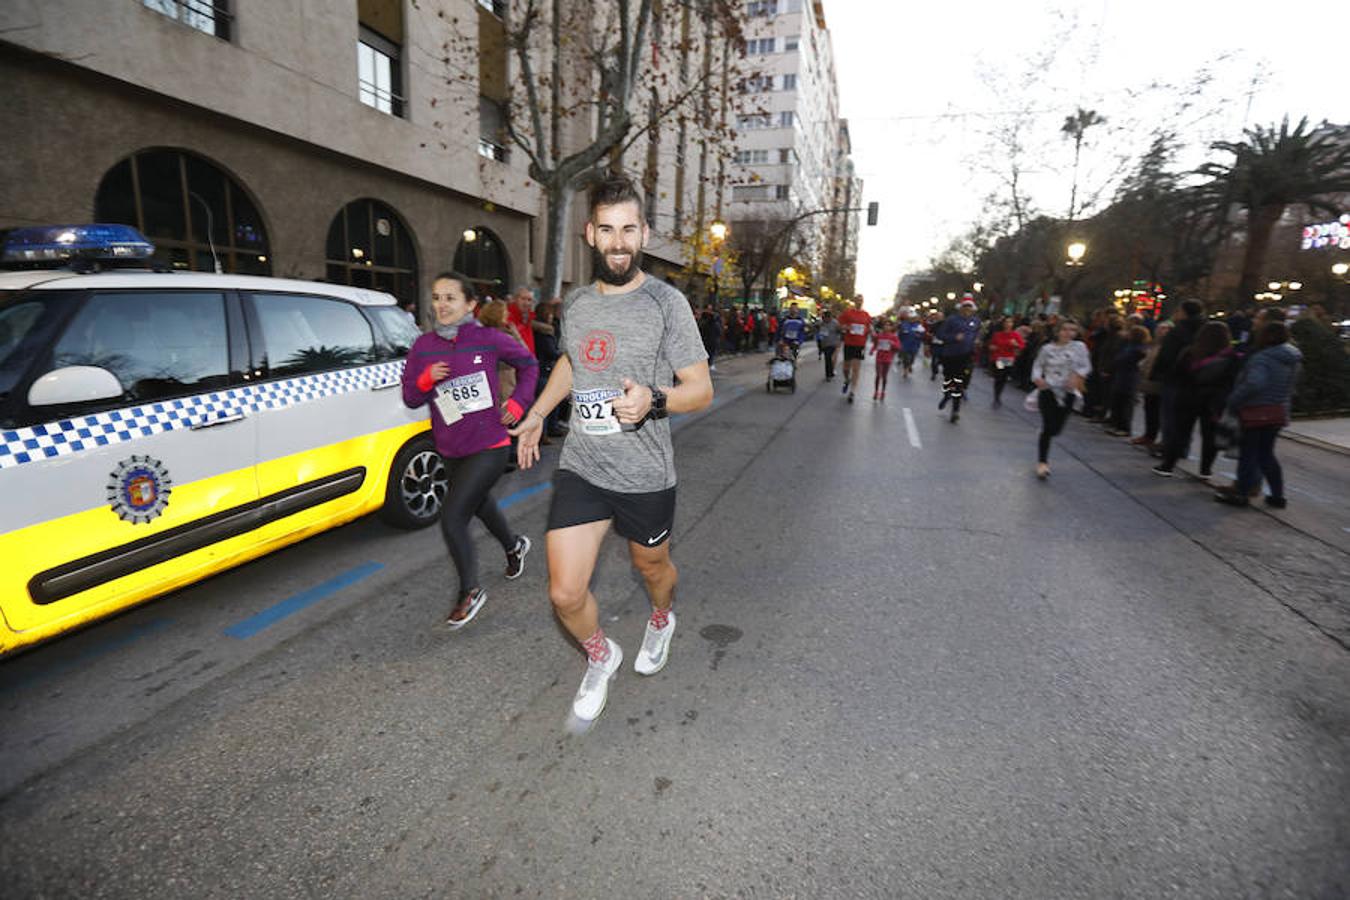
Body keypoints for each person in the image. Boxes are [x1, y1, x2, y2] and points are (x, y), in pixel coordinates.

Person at [510, 175, 713, 723]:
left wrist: (654, 400)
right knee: (564, 594)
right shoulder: (576, 304)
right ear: (589, 233)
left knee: (653, 569)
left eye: (629, 229)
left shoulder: (667, 303)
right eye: (607, 229)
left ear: (643, 232)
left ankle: (663, 616)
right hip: (584, 465)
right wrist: (537, 412)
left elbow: (701, 387)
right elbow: (572, 363)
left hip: (645, 473)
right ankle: (602, 654)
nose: (618, 241)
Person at [401, 272, 538, 627]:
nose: (442, 305)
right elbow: (411, 397)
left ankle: (470, 592)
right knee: (480, 503)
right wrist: (425, 379)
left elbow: (529, 366)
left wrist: (520, 404)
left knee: (453, 516)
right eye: (436, 297)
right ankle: (514, 546)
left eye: (450, 297)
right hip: (450, 447)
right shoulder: (423, 346)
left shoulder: (488, 339)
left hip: (490, 444)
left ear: (470, 304)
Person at [1214, 321, 1302, 508]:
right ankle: (1277, 495)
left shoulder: (1262, 358)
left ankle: (1241, 493)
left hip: (1255, 410)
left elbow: (1255, 383)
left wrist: (1234, 399)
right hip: (1277, 411)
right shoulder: (1292, 358)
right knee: (1266, 454)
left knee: (1249, 454)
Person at [1152, 321, 1240, 482]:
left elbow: (1177, 374)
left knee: (1179, 433)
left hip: (1188, 396)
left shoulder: (1191, 353)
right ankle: (1205, 469)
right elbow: (1231, 381)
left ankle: (1168, 465)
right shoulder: (1231, 357)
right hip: (1213, 401)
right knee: (1209, 436)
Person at [1031, 320, 1091, 479]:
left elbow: (1086, 366)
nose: (1068, 333)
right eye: (1064, 329)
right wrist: (1038, 379)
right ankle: (1042, 463)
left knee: (1056, 429)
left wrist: (1077, 376)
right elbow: (1037, 366)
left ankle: (1046, 432)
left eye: (1072, 330)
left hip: (1068, 391)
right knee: (1048, 426)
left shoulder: (1079, 347)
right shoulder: (1047, 349)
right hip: (1048, 390)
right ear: (1057, 331)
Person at [935, 297, 982, 423]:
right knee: (948, 379)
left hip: (966, 356)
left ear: (973, 309)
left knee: (958, 382)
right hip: (950, 355)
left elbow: (977, 334)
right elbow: (940, 335)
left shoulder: (975, 321)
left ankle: (955, 410)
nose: (967, 310)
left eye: (969, 307)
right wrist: (954, 337)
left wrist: (977, 341)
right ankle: (946, 396)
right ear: (961, 308)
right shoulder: (952, 320)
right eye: (965, 307)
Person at [1130, 320, 1172, 451]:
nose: (1161, 331)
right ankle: (1149, 435)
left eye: (1165, 329)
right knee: (1149, 408)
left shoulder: (1169, 345)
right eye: (1160, 328)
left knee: (1158, 411)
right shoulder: (1154, 344)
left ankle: (1156, 437)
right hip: (1149, 379)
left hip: (1160, 381)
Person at [837, 295, 872, 403]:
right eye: (857, 300)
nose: (859, 302)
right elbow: (839, 325)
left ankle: (852, 392)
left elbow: (869, 328)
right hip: (849, 343)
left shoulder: (866, 315)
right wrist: (846, 327)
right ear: (854, 301)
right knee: (846, 368)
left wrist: (869, 331)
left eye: (861, 300)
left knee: (856, 369)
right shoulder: (848, 313)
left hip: (860, 344)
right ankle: (847, 380)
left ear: (863, 302)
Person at [986, 316, 1025, 407]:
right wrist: (992, 347)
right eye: (1006, 322)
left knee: (1003, 378)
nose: (1008, 324)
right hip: (999, 358)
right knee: (999, 376)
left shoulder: (1015, 335)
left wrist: (1015, 344)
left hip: (1009, 359)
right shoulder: (998, 334)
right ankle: (997, 397)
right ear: (1003, 324)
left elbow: (1022, 346)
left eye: (1010, 322)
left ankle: (998, 395)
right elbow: (991, 345)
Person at [870, 319, 902, 401]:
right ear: (883, 327)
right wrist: (872, 350)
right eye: (885, 325)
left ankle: (883, 391)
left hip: (888, 358)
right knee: (878, 375)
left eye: (888, 325)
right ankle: (876, 391)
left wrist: (893, 344)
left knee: (884, 376)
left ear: (891, 327)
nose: (886, 327)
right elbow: (875, 344)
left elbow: (899, 347)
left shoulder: (894, 337)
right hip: (879, 358)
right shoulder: (879, 335)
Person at [507, 286, 537, 355]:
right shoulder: (507, 318)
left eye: (529, 300)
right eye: (523, 299)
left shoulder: (528, 318)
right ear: (515, 299)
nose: (526, 303)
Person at [897, 307, 925, 379]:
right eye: (911, 318)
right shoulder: (904, 325)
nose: (912, 319)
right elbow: (900, 335)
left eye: (913, 318)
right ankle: (905, 370)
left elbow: (922, 335)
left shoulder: (919, 326)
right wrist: (899, 343)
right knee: (906, 358)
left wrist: (919, 335)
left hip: (914, 345)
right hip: (905, 345)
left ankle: (910, 365)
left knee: (912, 358)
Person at [816, 308, 841, 381]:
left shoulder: (835, 323)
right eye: (824, 318)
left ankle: (830, 373)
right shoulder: (821, 323)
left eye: (827, 318)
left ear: (830, 317)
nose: (826, 320)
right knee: (828, 359)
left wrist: (839, 341)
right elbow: (816, 327)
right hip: (825, 344)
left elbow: (840, 331)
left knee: (830, 358)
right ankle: (829, 373)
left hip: (833, 344)